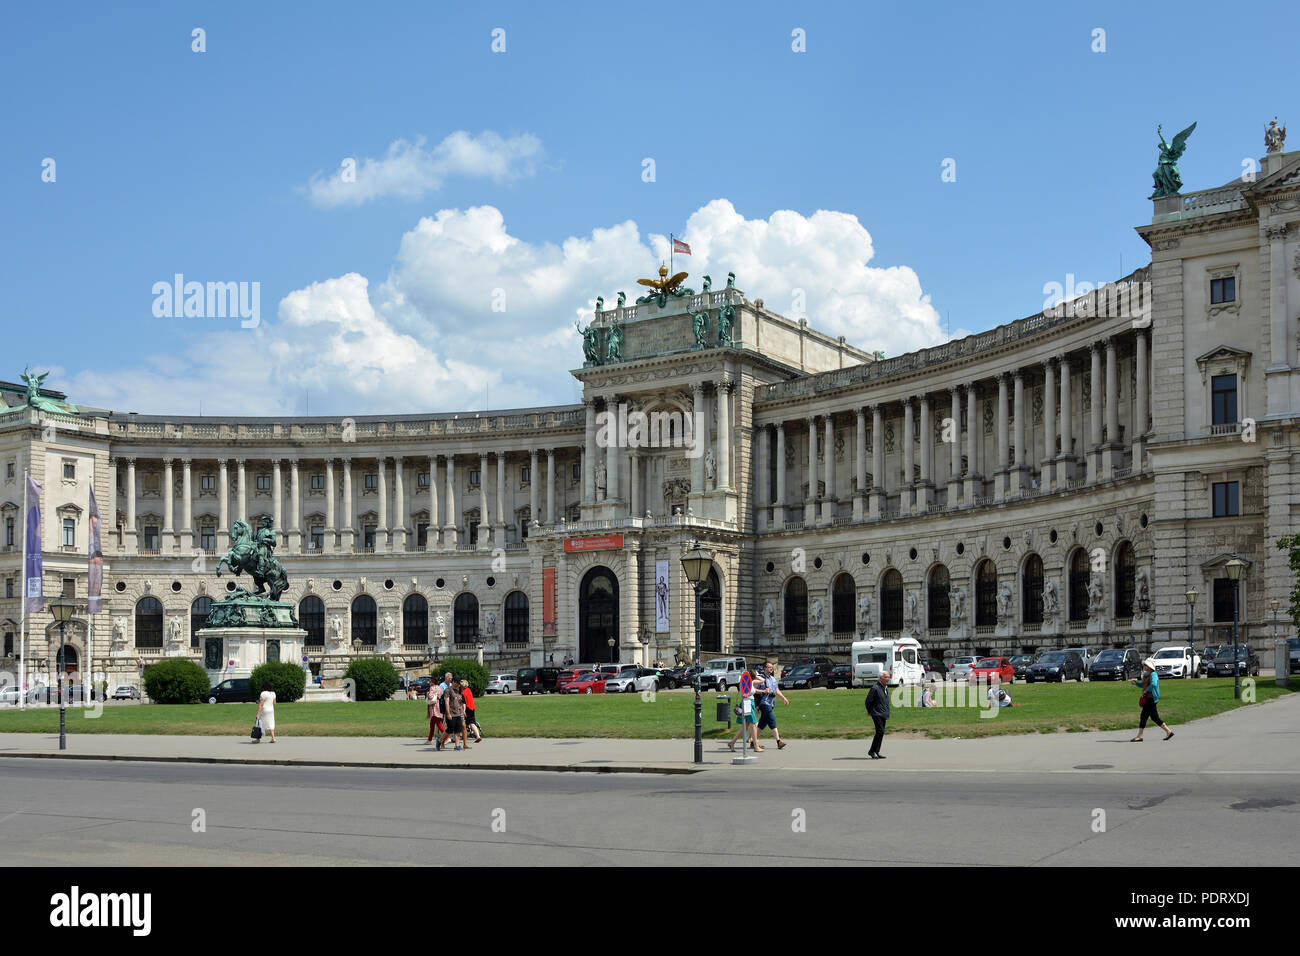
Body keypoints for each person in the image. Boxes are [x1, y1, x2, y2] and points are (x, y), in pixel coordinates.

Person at [1131, 659, 1173, 741]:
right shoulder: (1146, 675)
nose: (1144, 666)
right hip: (1147, 698)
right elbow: (1142, 685)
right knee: (1153, 717)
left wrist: (1147, 690)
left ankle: (1140, 736)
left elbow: (1153, 684)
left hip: (1151, 698)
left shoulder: (1153, 674)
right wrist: (1136, 683)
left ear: (1150, 667)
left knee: (1145, 716)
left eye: (1146, 665)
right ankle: (1168, 731)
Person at [755, 662, 789, 750]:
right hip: (764, 702)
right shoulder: (760, 678)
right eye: (769, 667)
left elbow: (777, 691)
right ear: (764, 668)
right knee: (772, 719)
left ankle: (753, 742)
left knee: (763, 723)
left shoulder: (773, 679)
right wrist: (763, 691)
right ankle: (778, 742)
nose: (771, 669)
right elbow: (753, 689)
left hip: (771, 703)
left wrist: (784, 698)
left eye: (772, 667)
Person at [728, 671, 762, 752]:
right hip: (747, 704)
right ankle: (756, 746)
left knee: (745, 726)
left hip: (750, 703)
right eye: (756, 675)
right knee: (754, 725)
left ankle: (732, 743)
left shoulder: (750, 682)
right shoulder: (745, 682)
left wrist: (763, 691)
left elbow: (761, 681)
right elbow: (744, 693)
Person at [438, 678, 471, 751]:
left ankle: (457, 745)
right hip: (451, 713)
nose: (458, 685)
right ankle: (439, 741)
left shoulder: (458, 691)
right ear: (453, 682)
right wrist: (448, 713)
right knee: (450, 729)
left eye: (459, 684)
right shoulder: (447, 690)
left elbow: (460, 702)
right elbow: (446, 702)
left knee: (458, 730)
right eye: (457, 683)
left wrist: (463, 711)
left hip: (458, 713)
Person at [865, 670, 890, 759]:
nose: (888, 678)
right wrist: (869, 711)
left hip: (883, 713)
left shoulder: (885, 687)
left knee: (881, 733)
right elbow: (868, 701)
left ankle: (876, 751)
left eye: (888, 676)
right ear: (881, 678)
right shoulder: (875, 688)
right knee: (880, 731)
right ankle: (872, 751)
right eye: (886, 677)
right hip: (876, 713)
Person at [425, 681, 445, 745]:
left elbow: (430, 697)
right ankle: (429, 739)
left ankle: (447, 737)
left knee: (439, 724)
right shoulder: (439, 688)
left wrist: (427, 693)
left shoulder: (432, 688)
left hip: (433, 708)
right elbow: (441, 694)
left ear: (433, 682)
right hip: (438, 706)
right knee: (432, 724)